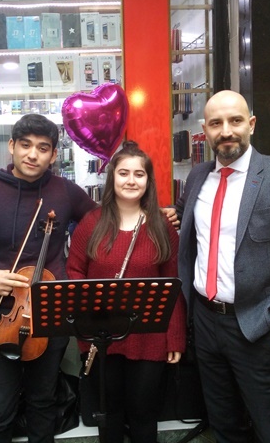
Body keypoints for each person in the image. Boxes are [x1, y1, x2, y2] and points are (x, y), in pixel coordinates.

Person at [176, 90, 270, 442]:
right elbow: (186, 220)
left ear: (251, 124)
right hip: (206, 323)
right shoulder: (197, 177)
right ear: (205, 131)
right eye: (216, 123)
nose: (226, 131)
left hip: (259, 327)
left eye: (235, 121)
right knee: (224, 427)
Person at [0, 114, 98, 443]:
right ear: (12, 146)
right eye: (25, 145)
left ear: (53, 154)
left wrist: (71, 270)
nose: (32, 154)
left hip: (49, 313)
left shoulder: (66, 192)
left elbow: (101, 222)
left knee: (43, 402)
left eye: (42, 148)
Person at [66, 141, 186, 443]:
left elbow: (172, 284)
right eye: (123, 173)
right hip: (101, 337)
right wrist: (85, 327)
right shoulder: (91, 223)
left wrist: (175, 336)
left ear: (148, 180)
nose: (131, 180)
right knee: (109, 414)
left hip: (149, 338)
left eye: (139, 174)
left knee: (145, 414)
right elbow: (74, 272)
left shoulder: (162, 226)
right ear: (112, 178)